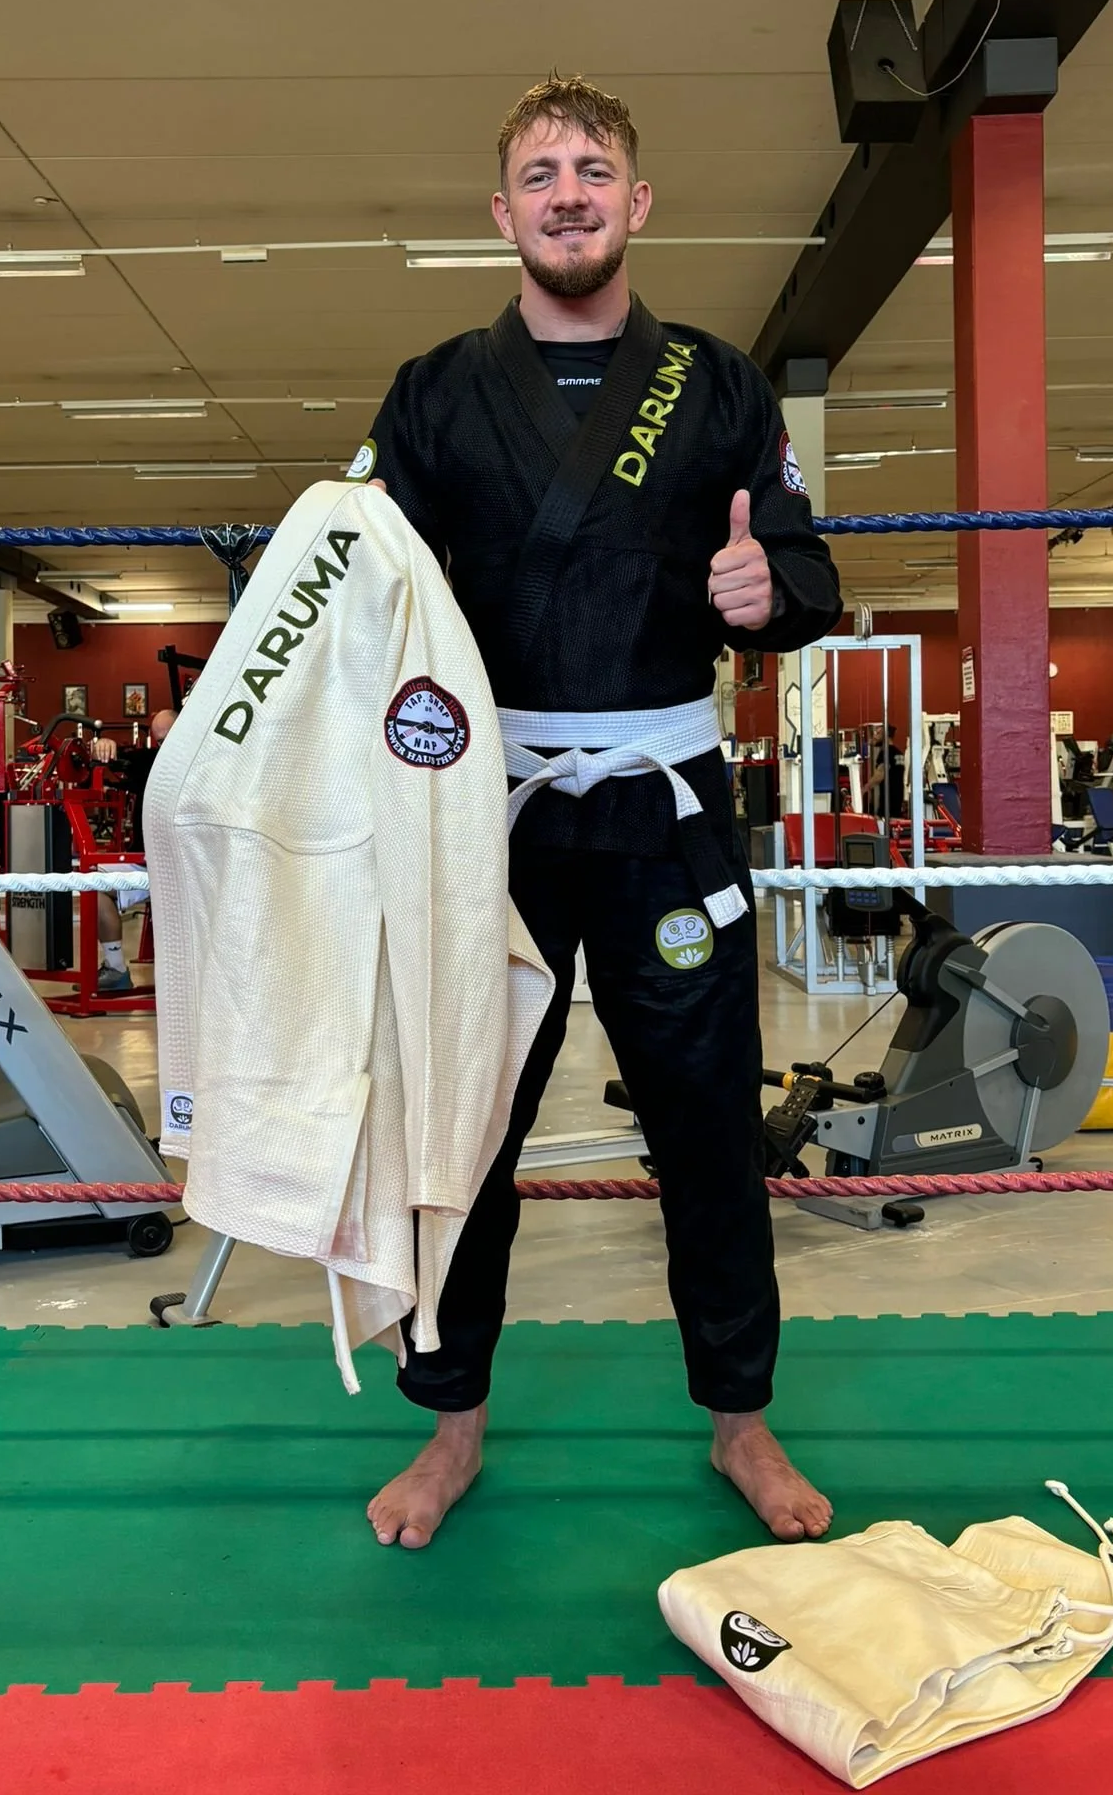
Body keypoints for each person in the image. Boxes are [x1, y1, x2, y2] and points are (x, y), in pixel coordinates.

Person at [354, 74, 844, 1550]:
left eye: (592, 169)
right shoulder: (435, 393)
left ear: (637, 201)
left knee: (707, 1127)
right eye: (541, 172)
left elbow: (808, 571)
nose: (568, 193)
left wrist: (768, 594)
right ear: (502, 212)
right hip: (486, 817)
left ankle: (742, 1422)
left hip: (666, 808)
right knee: (467, 1129)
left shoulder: (723, 387)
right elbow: (366, 601)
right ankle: (451, 1424)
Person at [91, 705, 176, 991]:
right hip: (146, 866)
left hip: (183, 869)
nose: (165, 746)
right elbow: (123, 760)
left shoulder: (206, 764)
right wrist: (105, 746)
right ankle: (116, 968)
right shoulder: (152, 762)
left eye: (170, 737)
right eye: (160, 741)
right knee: (92, 883)